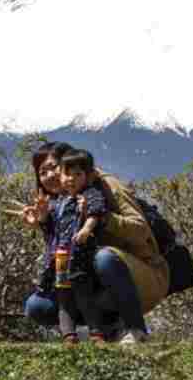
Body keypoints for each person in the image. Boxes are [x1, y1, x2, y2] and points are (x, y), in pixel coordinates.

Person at [21, 141, 170, 344]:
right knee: (37, 306)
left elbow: (141, 231)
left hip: (142, 275)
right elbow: (63, 248)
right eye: (42, 172)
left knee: (104, 258)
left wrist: (100, 218)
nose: (49, 176)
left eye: (54, 167)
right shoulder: (59, 203)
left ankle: (136, 329)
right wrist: (43, 222)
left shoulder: (104, 186)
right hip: (88, 279)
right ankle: (103, 328)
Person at [39, 149, 111, 344]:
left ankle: (97, 333)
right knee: (63, 297)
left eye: (78, 174)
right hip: (60, 258)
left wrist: (87, 228)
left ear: (88, 176)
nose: (71, 179)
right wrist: (41, 216)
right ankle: (68, 336)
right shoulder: (58, 201)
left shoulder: (90, 194)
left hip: (80, 257)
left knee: (83, 295)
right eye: (67, 174)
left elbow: (96, 212)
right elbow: (51, 227)